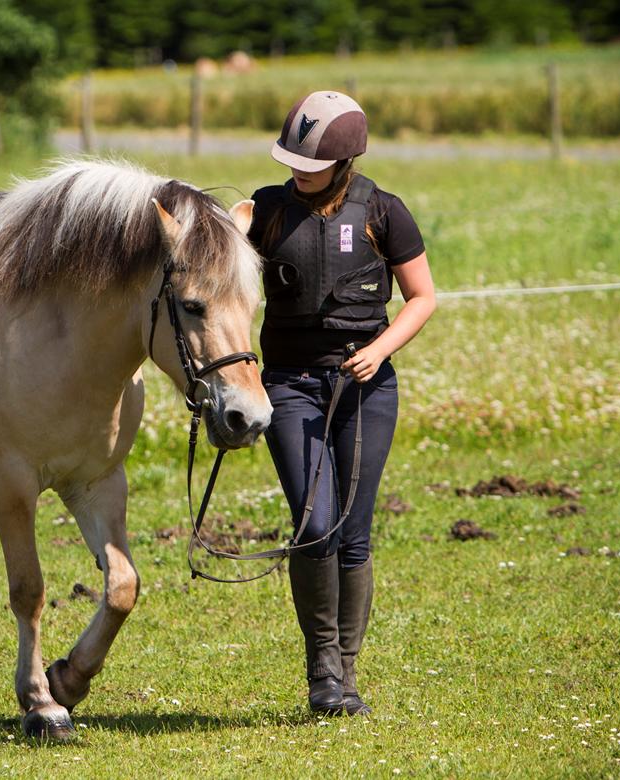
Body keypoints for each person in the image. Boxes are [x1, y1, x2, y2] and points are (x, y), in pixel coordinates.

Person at [247, 91, 436, 716]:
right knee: (314, 522)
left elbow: (422, 298)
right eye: (292, 160)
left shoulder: (384, 211)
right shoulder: (267, 211)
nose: (298, 172)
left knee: (354, 531)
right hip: (291, 385)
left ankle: (343, 677)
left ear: (345, 159)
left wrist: (379, 350)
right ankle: (320, 668)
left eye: (311, 164)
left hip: (366, 387)